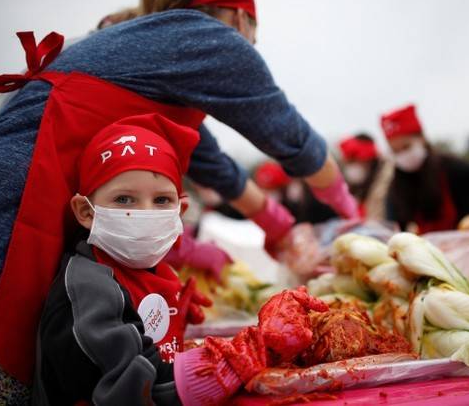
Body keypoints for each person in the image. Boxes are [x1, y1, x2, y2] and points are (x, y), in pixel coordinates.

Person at [0, 0, 357, 398]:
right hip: (7, 210)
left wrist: (279, 229)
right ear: (239, 17)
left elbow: (216, 166)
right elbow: (293, 140)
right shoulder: (209, 37)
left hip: (10, 192)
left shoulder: (156, 50)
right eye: (254, 37)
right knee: (3, 368)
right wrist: (348, 211)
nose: (250, 47)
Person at [31, 113, 327, 405]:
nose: (146, 213)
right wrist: (251, 350)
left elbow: (153, 350)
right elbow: (143, 387)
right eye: (124, 199)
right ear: (86, 212)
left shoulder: (157, 272)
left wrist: (173, 319)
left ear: (179, 213)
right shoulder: (88, 289)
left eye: (161, 200)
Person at [381, 104, 469, 234]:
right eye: (396, 151)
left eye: (406, 147)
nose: (403, 155)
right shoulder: (395, 190)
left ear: (421, 138)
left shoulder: (456, 170)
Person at [338, 133, 393, 220]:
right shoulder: (356, 186)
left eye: (353, 161)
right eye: (348, 163)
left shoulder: (387, 183)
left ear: (369, 160)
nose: (351, 167)